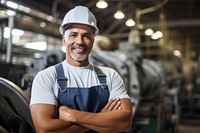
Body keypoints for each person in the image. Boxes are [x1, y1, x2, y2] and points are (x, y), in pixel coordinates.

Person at [30, 5, 132, 133]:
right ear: (64, 40)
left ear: (93, 41)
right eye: (73, 35)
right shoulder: (47, 77)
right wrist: (101, 117)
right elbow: (45, 129)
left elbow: (124, 122)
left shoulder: (110, 75)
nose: (80, 41)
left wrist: (73, 115)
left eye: (86, 36)